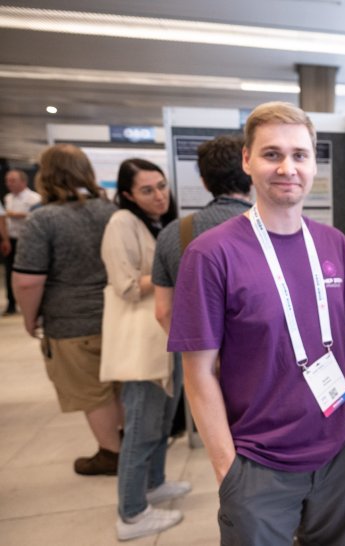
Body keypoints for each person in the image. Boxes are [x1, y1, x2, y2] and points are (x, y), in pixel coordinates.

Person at [167, 101, 345, 545]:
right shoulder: (211, 254)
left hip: (341, 453)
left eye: (299, 155)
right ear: (247, 160)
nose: (288, 168)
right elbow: (197, 371)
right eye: (272, 154)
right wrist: (227, 471)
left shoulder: (333, 244)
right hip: (260, 463)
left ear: (312, 162)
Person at [12, 144, 124, 476]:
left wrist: (29, 319)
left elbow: (28, 281)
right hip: (116, 315)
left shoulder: (43, 219)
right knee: (120, 387)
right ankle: (129, 447)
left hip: (70, 321)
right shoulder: (111, 210)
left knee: (91, 393)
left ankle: (111, 454)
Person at [98, 158, 189, 540]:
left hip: (167, 337)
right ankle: (131, 513)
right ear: (127, 195)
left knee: (164, 420)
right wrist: (176, 270)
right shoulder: (121, 223)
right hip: (141, 344)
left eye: (161, 186)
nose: (159, 196)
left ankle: (155, 483)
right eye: (147, 190)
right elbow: (126, 284)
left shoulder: (157, 224)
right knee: (141, 428)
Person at [152, 135, 253, 442]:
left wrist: (203, 355)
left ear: (204, 181)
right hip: (261, 368)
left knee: (220, 444)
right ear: (250, 169)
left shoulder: (174, 233)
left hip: (203, 368)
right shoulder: (271, 228)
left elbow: (163, 310)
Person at [3, 169, 41, 316]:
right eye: (7, 181)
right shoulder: (8, 198)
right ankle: (11, 303)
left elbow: (38, 216)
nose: (9, 184)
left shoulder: (34, 198)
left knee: (29, 274)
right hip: (12, 239)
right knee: (9, 273)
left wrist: (17, 215)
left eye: (13, 180)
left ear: (23, 182)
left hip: (28, 240)